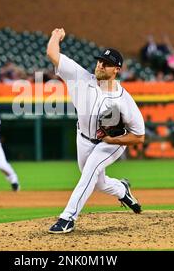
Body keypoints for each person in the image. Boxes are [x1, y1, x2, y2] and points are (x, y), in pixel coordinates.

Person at [46, 28, 145, 234]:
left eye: (107, 63)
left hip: (110, 143)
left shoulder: (124, 99)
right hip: (83, 138)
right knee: (98, 183)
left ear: (116, 70)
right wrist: (56, 36)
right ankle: (121, 189)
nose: (101, 64)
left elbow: (139, 136)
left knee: (89, 172)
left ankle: (68, 218)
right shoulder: (80, 78)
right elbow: (53, 54)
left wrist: (112, 140)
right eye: (100, 61)